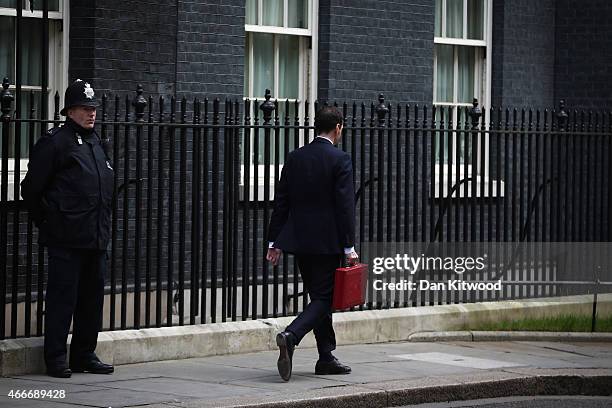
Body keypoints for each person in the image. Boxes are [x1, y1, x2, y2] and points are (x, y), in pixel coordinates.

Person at [21, 79, 114, 378]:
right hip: (66, 239)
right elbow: (31, 189)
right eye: (85, 109)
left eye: (93, 109)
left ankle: (84, 354)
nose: (91, 114)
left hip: (95, 236)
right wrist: (47, 221)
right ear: (70, 111)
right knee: (62, 300)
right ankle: (56, 358)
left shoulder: (97, 143)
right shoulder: (55, 142)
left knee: (91, 302)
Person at [266, 105, 358, 381]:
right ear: (338, 127)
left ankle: (326, 357)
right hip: (328, 243)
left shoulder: (295, 158)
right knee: (324, 298)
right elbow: (345, 207)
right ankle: (291, 336)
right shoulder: (340, 159)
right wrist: (349, 246)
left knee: (319, 296)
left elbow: (281, 201)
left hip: (300, 241)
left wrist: (274, 241)